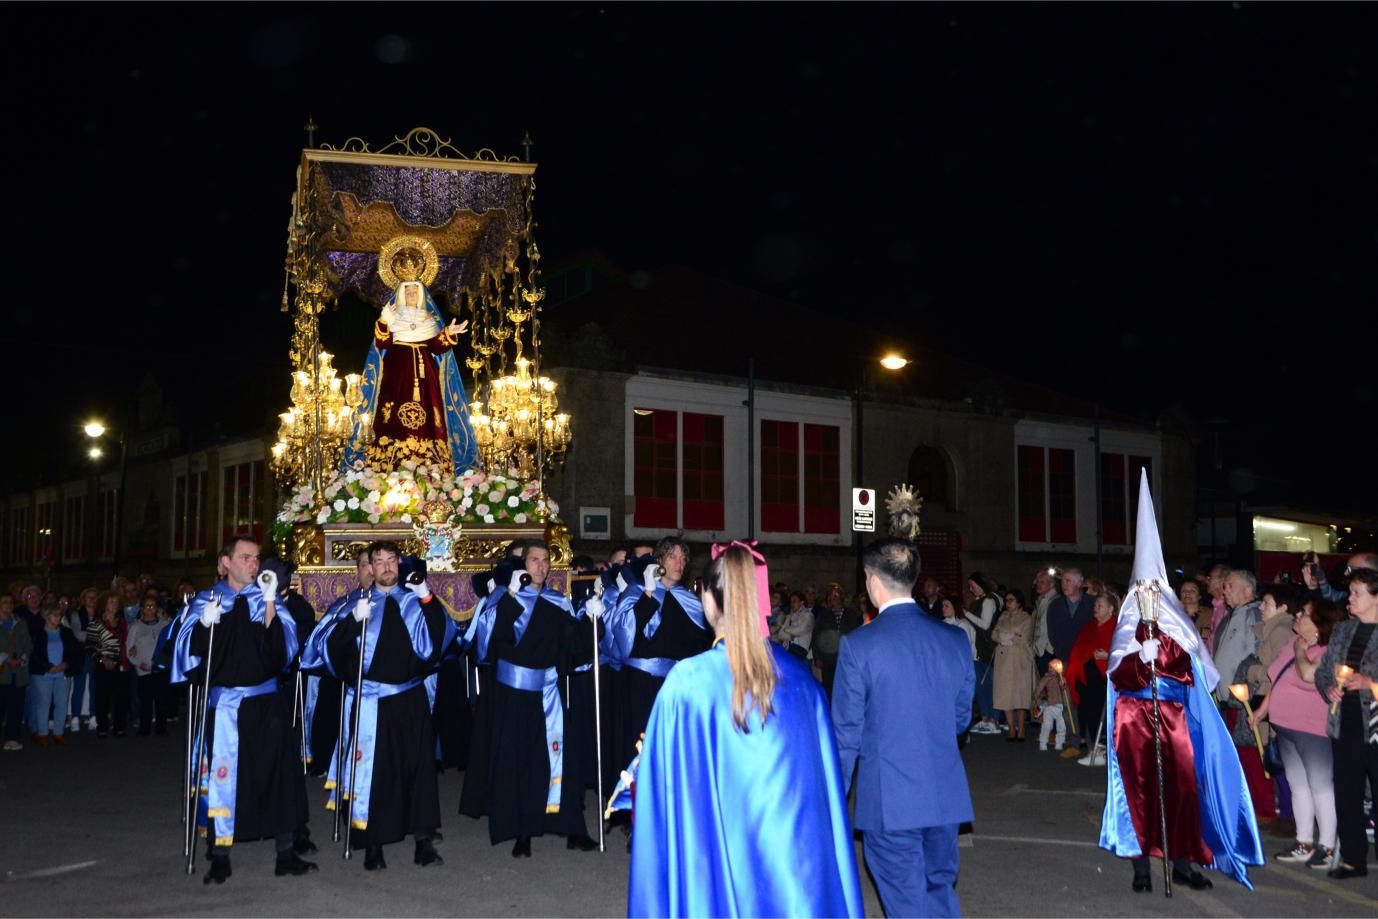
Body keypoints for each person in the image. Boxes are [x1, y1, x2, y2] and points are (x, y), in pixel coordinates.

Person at [630, 542, 863, 917]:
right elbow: (825, 796)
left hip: (717, 863)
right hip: (792, 867)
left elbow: (667, 794)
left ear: (708, 601)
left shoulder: (688, 682)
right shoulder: (803, 682)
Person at [1101, 471, 1263, 892]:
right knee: (1139, 790)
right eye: (1144, 588)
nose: (1150, 595)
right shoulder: (1127, 624)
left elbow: (1198, 669)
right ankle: (1140, 866)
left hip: (1175, 716)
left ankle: (1187, 862)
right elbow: (1117, 672)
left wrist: (1166, 652)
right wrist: (1140, 656)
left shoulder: (1178, 623)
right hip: (1134, 716)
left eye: (1156, 587)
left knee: (1184, 789)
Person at [833, 538, 974, 917]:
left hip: (889, 801)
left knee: (907, 903)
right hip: (944, 796)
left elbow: (846, 735)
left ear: (872, 581)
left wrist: (834, 800)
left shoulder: (859, 646)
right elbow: (961, 719)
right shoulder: (955, 639)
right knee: (938, 892)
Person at [171, 536, 316, 884]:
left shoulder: (265, 598)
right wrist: (205, 624)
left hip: (266, 701)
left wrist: (269, 602)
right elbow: (183, 650)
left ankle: (285, 852)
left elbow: (283, 650)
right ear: (225, 563)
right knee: (224, 777)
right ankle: (220, 853)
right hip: (225, 706)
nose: (254, 564)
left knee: (278, 774)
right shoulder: (207, 600)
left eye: (256, 559)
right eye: (246, 558)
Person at [305, 541, 455, 871]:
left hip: (409, 697)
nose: (386, 567)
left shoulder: (415, 600)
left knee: (417, 770)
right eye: (378, 561)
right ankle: (372, 843)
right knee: (373, 773)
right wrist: (350, 625)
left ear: (398, 565)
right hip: (371, 700)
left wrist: (428, 599)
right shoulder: (353, 605)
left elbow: (441, 640)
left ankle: (423, 840)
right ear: (369, 568)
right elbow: (325, 649)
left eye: (391, 560)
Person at [482, 540, 600, 857]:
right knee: (521, 763)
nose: (541, 566)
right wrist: (508, 596)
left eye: (546, 560)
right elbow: (487, 641)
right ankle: (523, 832)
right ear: (523, 564)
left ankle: (573, 828)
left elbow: (574, 646)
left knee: (563, 760)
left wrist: (591, 620)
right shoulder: (504, 598)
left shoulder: (556, 602)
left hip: (548, 692)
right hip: (514, 694)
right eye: (535, 560)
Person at [346, 269, 478, 474]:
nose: (411, 295)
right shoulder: (392, 317)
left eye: (414, 292)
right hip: (396, 372)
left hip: (427, 376)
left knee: (431, 411)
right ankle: (390, 461)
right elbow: (382, 343)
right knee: (391, 412)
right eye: (407, 292)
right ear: (400, 295)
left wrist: (448, 334)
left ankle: (433, 465)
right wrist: (384, 322)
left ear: (422, 295)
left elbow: (436, 347)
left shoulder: (429, 319)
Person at [605, 537, 711, 774]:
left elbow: (702, 645)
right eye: (673, 556)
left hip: (676, 686)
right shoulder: (637, 592)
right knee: (640, 751)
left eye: (683, 559)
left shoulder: (689, 600)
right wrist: (649, 594)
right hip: (639, 685)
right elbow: (623, 639)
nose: (679, 563)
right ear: (660, 560)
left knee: (673, 753)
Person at [1252, 598, 1344, 868]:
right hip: (1286, 726)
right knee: (1298, 786)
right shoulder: (1292, 644)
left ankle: (1327, 845)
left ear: (1319, 624)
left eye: (1305, 613)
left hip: (1313, 729)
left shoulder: (1329, 650)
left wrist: (1300, 651)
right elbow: (1277, 679)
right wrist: (1263, 710)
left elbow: (1307, 675)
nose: (1298, 615)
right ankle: (1303, 841)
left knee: (1321, 787)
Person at [1313, 568, 1378, 880]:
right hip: (1344, 725)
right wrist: (1329, 688)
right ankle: (1353, 859)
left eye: (1356, 593)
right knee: (1347, 795)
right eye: (1349, 592)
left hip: (1376, 728)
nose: (1349, 598)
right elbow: (1323, 671)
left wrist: (1370, 683)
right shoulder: (1341, 631)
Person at [1213, 570, 1274, 820]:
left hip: (1244, 699)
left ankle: (1264, 809)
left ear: (1248, 590)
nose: (1224, 590)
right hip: (1228, 697)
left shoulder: (1253, 615)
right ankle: (1246, 805)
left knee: (1252, 754)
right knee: (1238, 754)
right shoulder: (1233, 615)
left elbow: (1256, 654)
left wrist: (1250, 693)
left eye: (1229, 586)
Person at [1064, 591, 1119, 765]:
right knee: (1086, 713)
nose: (1095, 608)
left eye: (1100, 605)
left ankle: (1101, 749)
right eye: (1095, 605)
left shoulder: (1117, 627)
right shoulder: (1089, 627)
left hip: (1104, 679)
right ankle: (1092, 748)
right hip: (1085, 678)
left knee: (1100, 713)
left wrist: (1108, 656)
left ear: (1110, 609)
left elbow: (1125, 653)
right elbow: (1078, 650)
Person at [27, 604, 83, 746]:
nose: (59, 618)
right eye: (55, 615)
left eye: (60, 615)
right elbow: (34, 654)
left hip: (63, 672)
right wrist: (49, 668)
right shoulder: (37, 633)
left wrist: (65, 664)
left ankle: (59, 733)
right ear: (46, 616)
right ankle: (42, 734)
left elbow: (73, 652)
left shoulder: (67, 632)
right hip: (43, 673)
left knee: (62, 703)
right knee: (43, 703)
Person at [992, 589, 1036, 742]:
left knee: (1019, 694)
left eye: (1011, 600)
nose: (1007, 603)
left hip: (1019, 661)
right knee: (1005, 695)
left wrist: (1006, 637)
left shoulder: (1026, 618)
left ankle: (1021, 729)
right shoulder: (1003, 616)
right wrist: (1009, 637)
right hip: (1003, 661)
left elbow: (1024, 638)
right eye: (1006, 600)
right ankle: (1011, 729)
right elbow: (994, 634)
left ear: (1019, 602)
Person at [87, 591, 131, 738]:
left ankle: (120, 726)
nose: (115, 604)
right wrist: (103, 659)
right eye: (111, 601)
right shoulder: (96, 622)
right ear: (104, 604)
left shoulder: (122, 622)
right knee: (102, 698)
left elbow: (126, 642)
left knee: (121, 697)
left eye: (116, 601)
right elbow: (90, 646)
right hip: (102, 664)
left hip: (120, 663)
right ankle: (102, 727)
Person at [124, 595, 169, 736]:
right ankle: (145, 728)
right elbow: (129, 649)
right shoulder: (136, 627)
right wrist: (138, 664)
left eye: (153, 606)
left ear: (157, 608)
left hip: (161, 669)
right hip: (143, 669)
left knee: (162, 700)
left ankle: (161, 728)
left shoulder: (164, 624)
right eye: (147, 606)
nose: (150, 609)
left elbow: (170, 645)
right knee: (145, 701)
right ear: (142, 609)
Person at [964, 573, 1002, 735]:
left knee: (989, 685)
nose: (971, 590)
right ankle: (985, 718)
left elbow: (985, 625)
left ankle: (994, 719)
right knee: (980, 685)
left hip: (987, 648)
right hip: (978, 649)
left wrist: (966, 614)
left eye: (973, 586)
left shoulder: (988, 601)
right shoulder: (981, 601)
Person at [811, 582, 863, 698]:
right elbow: (816, 636)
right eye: (831, 595)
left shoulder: (851, 614)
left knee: (845, 688)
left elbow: (856, 634)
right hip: (828, 658)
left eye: (836, 595)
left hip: (845, 657)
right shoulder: (823, 615)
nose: (833, 598)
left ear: (841, 597)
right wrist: (817, 657)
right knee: (828, 688)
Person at [1, 594, 33, 750]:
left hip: (18, 673)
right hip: (2, 672)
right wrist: (6, 659)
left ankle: (12, 738)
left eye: (10, 602)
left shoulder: (21, 623)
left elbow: (28, 645)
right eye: (4, 602)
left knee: (15, 707)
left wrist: (22, 660)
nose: (8, 604)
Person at [1045, 569, 1094, 667]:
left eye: (1068, 581)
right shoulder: (1055, 605)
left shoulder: (1092, 604)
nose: (1064, 585)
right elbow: (1052, 633)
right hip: (1063, 658)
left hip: (1087, 659)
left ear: (1079, 583)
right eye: (1062, 581)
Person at [64, 588, 97, 732]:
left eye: (94, 598)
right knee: (79, 686)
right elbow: (78, 634)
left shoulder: (100, 614)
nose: (92, 600)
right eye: (89, 597)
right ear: (83, 599)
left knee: (95, 687)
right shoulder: (76, 614)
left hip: (96, 655)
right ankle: (76, 717)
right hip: (82, 655)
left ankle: (94, 716)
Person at [770, 590, 814, 659]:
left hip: (800, 649)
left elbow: (800, 630)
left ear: (802, 602)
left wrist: (784, 628)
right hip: (787, 647)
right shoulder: (789, 616)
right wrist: (791, 637)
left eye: (794, 601)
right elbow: (780, 634)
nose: (792, 604)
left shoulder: (808, 615)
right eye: (791, 602)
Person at [1032, 664, 1067, 751]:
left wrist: (1063, 685)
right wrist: (1037, 699)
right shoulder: (1046, 678)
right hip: (1049, 705)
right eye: (1050, 667)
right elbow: (1038, 688)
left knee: (1062, 726)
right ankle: (1043, 742)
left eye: (1054, 667)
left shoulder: (1061, 678)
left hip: (1061, 706)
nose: (1051, 669)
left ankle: (1059, 743)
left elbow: (1065, 690)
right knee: (1047, 725)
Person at [1031, 569, 1058, 674]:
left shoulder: (1055, 601)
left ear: (1051, 584)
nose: (1038, 584)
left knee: (1049, 683)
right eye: (1037, 582)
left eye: (1042, 582)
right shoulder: (1041, 600)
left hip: (1047, 650)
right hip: (1040, 649)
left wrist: (1047, 648)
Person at [1179, 578, 1211, 643]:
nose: (1187, 593)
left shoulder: (1210, 614)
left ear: (1199, 595)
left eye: (1192, 591)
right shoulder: (1174, 614)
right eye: (1184, 590)